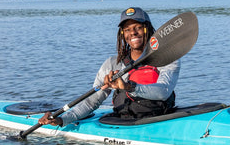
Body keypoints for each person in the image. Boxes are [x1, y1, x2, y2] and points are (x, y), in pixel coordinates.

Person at [39, 7, 180, 127]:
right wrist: (62, 119)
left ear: (147, 29)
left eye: (138, 27)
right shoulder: (112, 64)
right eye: (127, 29)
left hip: (160, 119)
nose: (133, 33)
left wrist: (129, 87)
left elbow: (164, 91)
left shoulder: (167, 59)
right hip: (125, 122)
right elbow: (90, 104)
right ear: (123, 34)